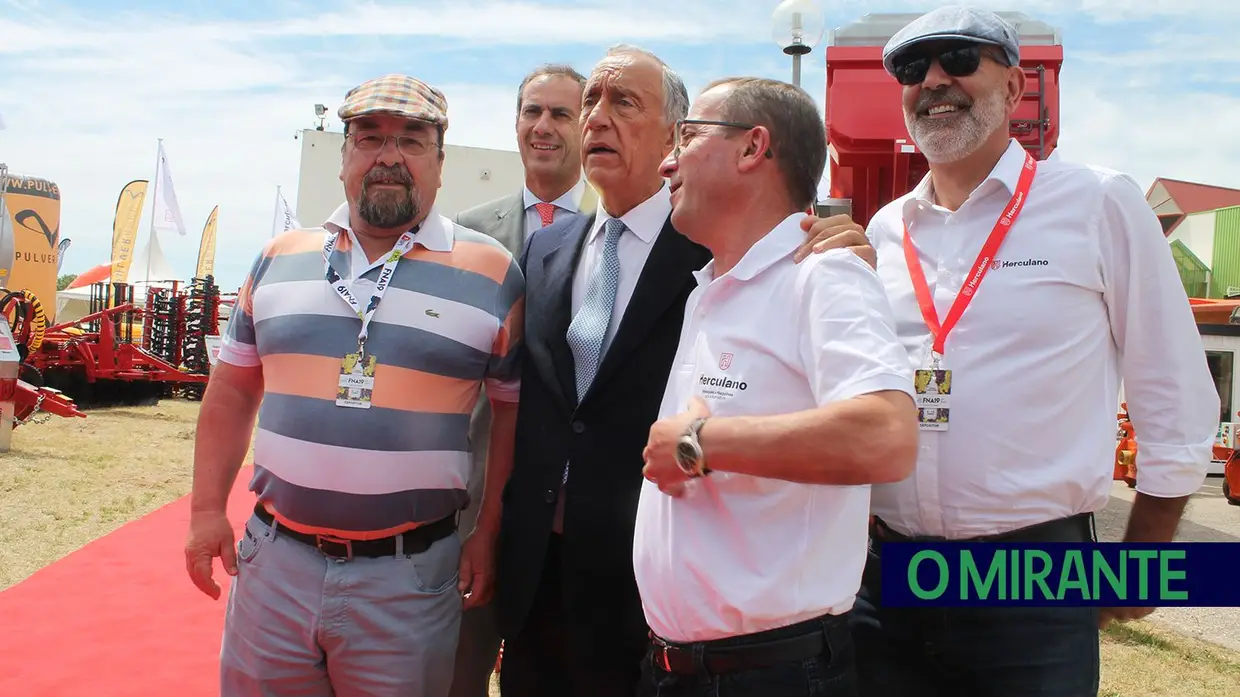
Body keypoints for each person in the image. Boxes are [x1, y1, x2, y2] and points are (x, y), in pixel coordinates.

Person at [829, 6, 1219, 696]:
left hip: (1033, 577)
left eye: (958, 59)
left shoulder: (1098, 201)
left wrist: (1145, 558)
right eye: (914, 70)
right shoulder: (887, 230)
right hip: (890, 575)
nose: (934, 80)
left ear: (1013, 88)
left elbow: (1174, 391)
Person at [493, 45, 861, 697]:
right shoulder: (546, 248)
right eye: (591, 103)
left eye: (623, 103)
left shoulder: (721, 247)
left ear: (675, 135)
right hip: (537, 585)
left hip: (648, 603)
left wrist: (845, 239)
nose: (595, 119)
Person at [184, 73, 525, 697]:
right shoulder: (278, 257)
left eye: (412, 140)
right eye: (369, 138)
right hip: (274, 566)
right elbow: (232, 391)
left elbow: (511, 415)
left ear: (440, 163)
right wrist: (207, 510)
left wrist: (489, 531)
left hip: (411, 578)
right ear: (343, 156)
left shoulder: (494, 273)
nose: (389, 155)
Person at [632, 76, 920, 697]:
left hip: (772, 674)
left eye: (686, 136)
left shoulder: (824, 276)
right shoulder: (710, 290)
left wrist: (699, 443)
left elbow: (886, 437)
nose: (666, 160)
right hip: (681, 667)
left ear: (751, 147)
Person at [448, 63, 596, 697]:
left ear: (588, 127)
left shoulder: (617, 240)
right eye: (532, 112)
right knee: (455, 673)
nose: (544, 127)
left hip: (569, 516)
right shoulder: (461, 237)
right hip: (475, 500)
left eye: (561, 114)